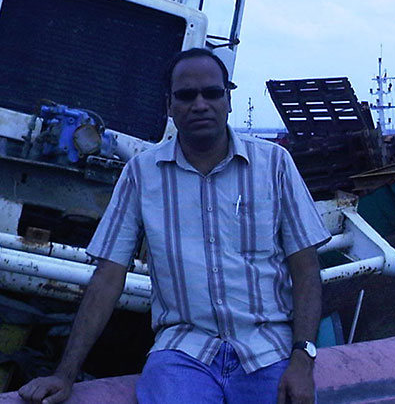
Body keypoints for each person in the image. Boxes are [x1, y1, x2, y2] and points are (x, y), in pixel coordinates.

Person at [19, 48, 331, 404]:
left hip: (268, 350)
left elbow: (306, 269)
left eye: (211, 93)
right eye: (186, 96)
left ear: (228, 100)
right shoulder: (141, 174)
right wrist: (64, 374)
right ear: (169, 105)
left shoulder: (274, 164)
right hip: (183, 354)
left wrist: (303, 359)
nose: (200, 104)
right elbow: (108, 277)